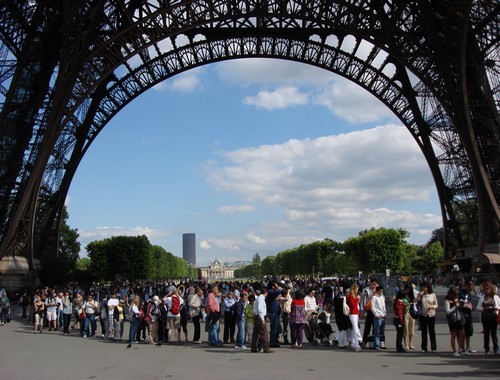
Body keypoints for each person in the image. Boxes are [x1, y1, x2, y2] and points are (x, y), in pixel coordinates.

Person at [476, 280, 500, 355]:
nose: (486, 290)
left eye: (487, 289)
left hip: (493, 316)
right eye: (485, 289)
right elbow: (478, 307)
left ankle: (496, 348)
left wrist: (495, 307)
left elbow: (499, 306)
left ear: (491, 289)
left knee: (494, 333)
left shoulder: (495, 297)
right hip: (485, 317)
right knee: (486, 333)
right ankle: (487, 349)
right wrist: (484, 309)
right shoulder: (482, 297)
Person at [444, 286, 465, 357]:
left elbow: (460, 308)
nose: (457, 296)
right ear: (451, 294)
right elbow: (447, 311)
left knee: (461, 334)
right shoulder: (447, 301)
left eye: (457, 294)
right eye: (455, 294)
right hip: (452, 320)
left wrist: (461, 304)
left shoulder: (456, 299)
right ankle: (454, 350)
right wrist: (455, 306)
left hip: (458, 319)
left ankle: (461, 349)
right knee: (453, 335)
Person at [418, 282, 438, 353]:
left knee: (431, 331)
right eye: (423, 287)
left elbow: (436, 304)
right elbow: (417, 303)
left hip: (431, 314)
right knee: (424, 332)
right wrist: (419, 296)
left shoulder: (432, 295)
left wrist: (432, 307)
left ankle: (433, 347)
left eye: (425, 287)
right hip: (423, 315)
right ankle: (424, 347)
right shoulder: (421, 295)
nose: (424, 288)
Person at [251, 287, 273, 353]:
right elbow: (260, 308)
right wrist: (262, 318)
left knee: (255, 333)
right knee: (264, 332)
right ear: (266, 293)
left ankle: (253, 347)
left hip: (256, 316)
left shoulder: (259, 298)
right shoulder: (261, 299)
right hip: (259, 317)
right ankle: (266, 348)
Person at [458, 279, 476, 353]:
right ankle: (461, 348)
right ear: (467, 286)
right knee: (462, 331)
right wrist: (465, 305)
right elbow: (458, 302)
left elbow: (469, 301)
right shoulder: (459, 291)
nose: (471, 290)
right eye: (470, 288)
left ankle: (468, 347)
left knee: (469, 330)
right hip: (461, 312)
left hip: (468, 313)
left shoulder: (468, 293)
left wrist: (471, 306)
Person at [361, 279, 378, 348]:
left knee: (375, 327)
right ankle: (364, 342)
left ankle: (375, 342)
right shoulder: (366, 290)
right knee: (367, 327)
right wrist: (362, 311)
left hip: (376, 310)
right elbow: (362, 301)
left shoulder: (378, 289)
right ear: (370, 283)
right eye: (373, 284)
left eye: (375, 284)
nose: (374, 285)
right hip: (369, 310)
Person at [266, 282, 282, 347]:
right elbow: (278, 292)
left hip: (273, 311)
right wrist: (277, 287)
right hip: (273, 312)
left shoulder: (270, 292)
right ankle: (272, 342)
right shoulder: (270, 292)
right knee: (274, 328)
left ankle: (274, 340)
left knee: (275, 327)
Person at [347, 283, 362, 352]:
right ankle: (356, 344)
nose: (357, 290)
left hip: (355, 313)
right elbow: (352, 305)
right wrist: (357, 299)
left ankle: (354, 343)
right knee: (356, 329)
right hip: (353, 313)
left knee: (354, 329)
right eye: (356, 289)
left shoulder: (354, 296)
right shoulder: (350, 296)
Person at [371, 285, 386, 350]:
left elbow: (384, 306)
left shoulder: (382, 297)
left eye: (382, 291)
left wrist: (385, 313)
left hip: (383, 315)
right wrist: (377, 314)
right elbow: (372, 307)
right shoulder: (374, 298)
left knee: (382, 331)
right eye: (380, 291)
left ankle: (381, 344)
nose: (381, 293)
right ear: (377, 291)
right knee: (377, 331)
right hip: (378, 316)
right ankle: (376, 345)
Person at [403, 284, 416, 350]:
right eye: (406, 289)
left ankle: (410, 344)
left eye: (408, 290)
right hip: (405, 313)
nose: (407, 291)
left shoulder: (412, 295)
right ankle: (406, 344)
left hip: (411, 313)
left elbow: (415, 301)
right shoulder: (402, 294)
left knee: (411, 329)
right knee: (406, 329)